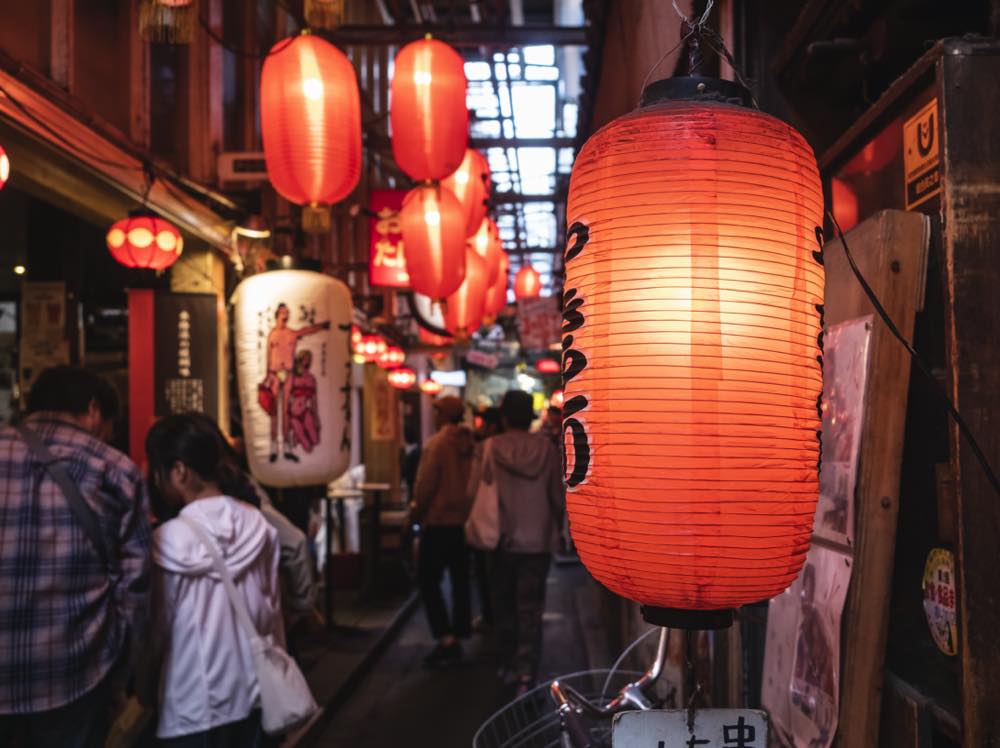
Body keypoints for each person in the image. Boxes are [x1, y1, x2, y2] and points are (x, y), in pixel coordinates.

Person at [0, 366, 151, 748]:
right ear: (93, 409)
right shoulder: (116, 470)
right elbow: (134, 591)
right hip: (74, 675)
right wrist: (120, 678)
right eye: (109, 426)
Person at [144, 413, 283, 746]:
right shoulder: (258, 524)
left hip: (191, 705)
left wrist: (144, 685)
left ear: (179, 471)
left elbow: (158, 629)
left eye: (157, 470)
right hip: (256, 696)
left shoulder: (167, 540)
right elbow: (272, 612)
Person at [488, 390, 564, 694]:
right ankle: (526, 673)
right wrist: (558, 528)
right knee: (530, 609)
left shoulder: (490, 448)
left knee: (503, 606)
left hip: (501, 539)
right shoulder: (545, 449)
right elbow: (556, 496)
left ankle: (506, 665)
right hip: (537, 540)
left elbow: (476, 493)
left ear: (504, 416)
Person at [410, 396, 476, 666]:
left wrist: (414, 514)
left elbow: (425, 487)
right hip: (463, 522)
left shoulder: (437, 446)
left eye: (436, 411)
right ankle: (460, 631)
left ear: (443, 414)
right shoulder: (470, 444)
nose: (433, 415)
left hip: (437, 522)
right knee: (461, 580)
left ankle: (445, 637)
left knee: (428, 580)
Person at [262, 303, 329, 463]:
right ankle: (272, 447)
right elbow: (268, 355)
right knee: (274, 413)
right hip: (275, 373)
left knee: (285, 412)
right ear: (278, 314)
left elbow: (306, 331)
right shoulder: (273, 334)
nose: (285, 315)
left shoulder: (292, 334)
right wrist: (268, 375)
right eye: (283, 312)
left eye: (287, 312)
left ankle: (286, 448)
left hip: (289, 374)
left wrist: (321, 326)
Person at [468, 406, 503, 630]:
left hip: (488, 522)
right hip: (516, 525)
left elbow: (472, 488)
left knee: (488, 573)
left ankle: (491, 616)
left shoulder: (484, 449)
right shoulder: (541, 447)